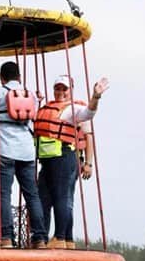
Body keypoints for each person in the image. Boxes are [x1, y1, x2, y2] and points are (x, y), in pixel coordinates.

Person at [35, 75, 109, 249]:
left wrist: (96, 97)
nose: (60, 92)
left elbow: (89, 115)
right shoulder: (48, 108)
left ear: (71, 90)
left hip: (65, 157)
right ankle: (65, 239)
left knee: (62, 197)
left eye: (64, 89)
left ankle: (60, 237)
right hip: (48, 160)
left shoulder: (72, 109)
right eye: (57, 88)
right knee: (48, 198)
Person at [0, 61, 47, 249]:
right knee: (32, 195)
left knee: (4, 194)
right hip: (26, 150)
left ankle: (7, 239)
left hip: (4, 149)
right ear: (19, 77)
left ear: (2, 78)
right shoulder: (31, 94)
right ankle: (40, 238)